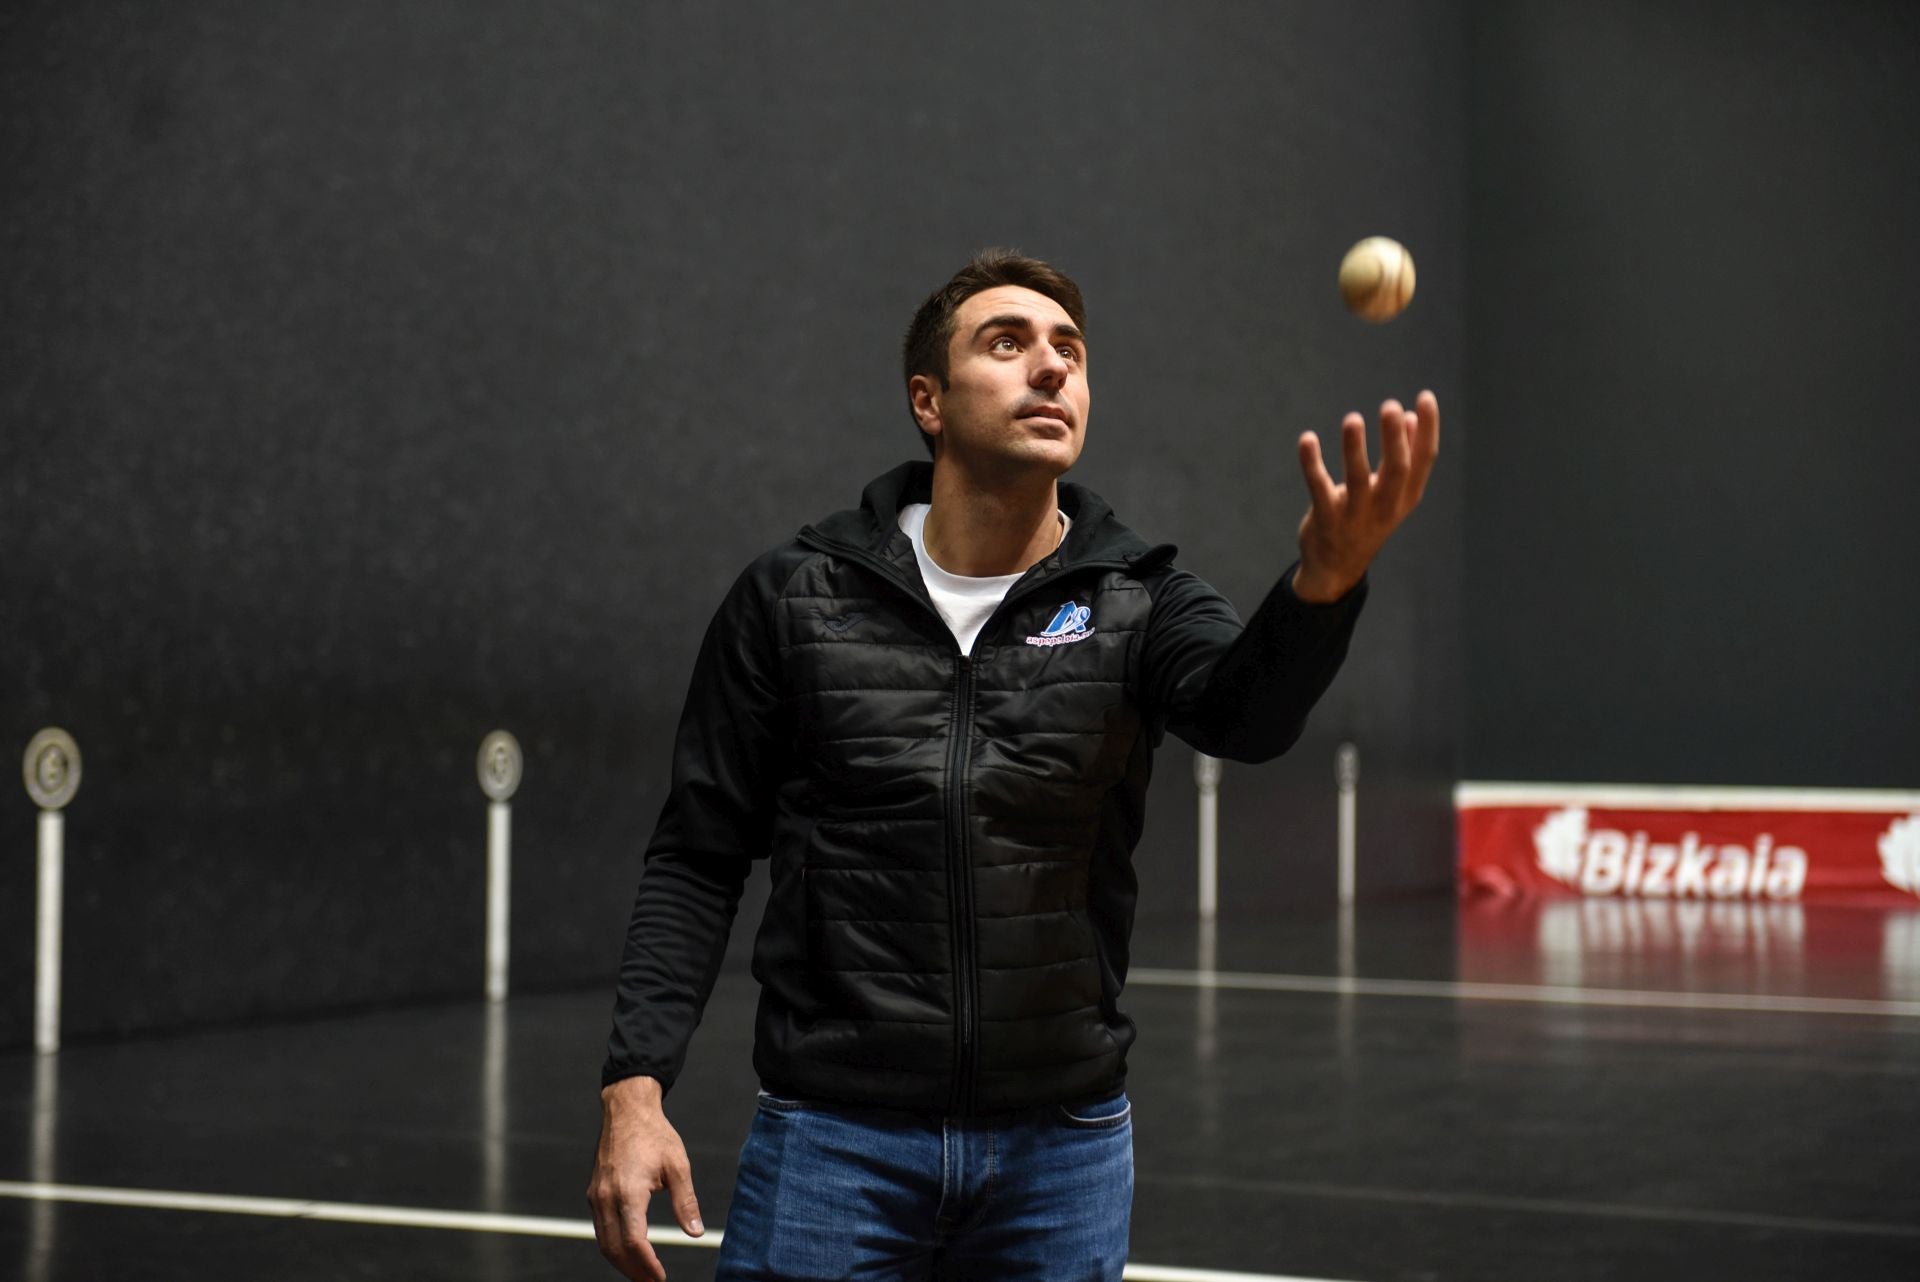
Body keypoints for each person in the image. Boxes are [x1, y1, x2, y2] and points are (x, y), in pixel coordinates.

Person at [587, 249, 1440, 1281]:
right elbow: (697, 853)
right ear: (929, 402)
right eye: (1008, 343)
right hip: (834, 1139)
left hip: (1062, 1153)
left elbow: (1246, 717)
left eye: (1070, 350)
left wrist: (1325, 584)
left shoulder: (1138, 597)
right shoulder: (793, 598)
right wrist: (635, 1089)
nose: (1051, 367)